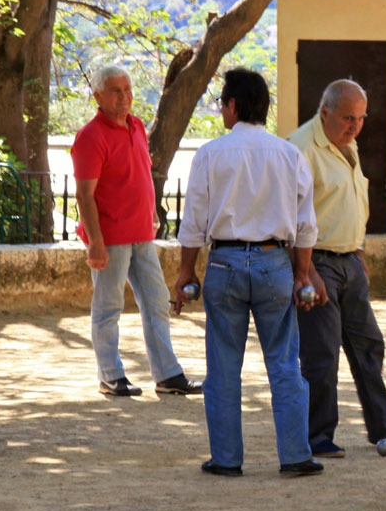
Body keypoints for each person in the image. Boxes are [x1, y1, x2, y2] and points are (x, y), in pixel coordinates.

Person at [172, 67, 324, 478]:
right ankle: (295, 455)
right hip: (276, 263)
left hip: (225, 264)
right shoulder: (290, 154)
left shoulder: (209, 154)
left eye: (223, 103)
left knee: (222, 366)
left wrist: (187, 272)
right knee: (284, 363)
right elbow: (306, 225)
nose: (222, 110)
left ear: (233, 105)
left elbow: (194, 223)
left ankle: (226, 458)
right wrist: (303, 275)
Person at [287, 79, 386, 459]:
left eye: (360, 118)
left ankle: (382, 424)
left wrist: (357, 250)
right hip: (317, 261)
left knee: (368, 344)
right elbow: (288, 219)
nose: (355, 126)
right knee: (321, 354)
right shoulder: (301, 149)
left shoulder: (346, 144)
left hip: (348, 260)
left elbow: (348, 202)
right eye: (347, 118)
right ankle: (318, 434)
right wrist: (305, 272)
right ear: (325, 111)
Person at [72, 64, 200, 398]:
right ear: (98, 95)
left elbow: (139, 175)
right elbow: (84, 195)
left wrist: (152, 214)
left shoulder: (138, 126)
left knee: (157, 302)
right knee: (108, 307)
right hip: (110, 238)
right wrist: (95, 242)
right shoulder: (90, 137)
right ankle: (111, 376)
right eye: (116, 90)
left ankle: (167, 374)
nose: (124, 97)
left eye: (127, 89)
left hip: (142, 233)